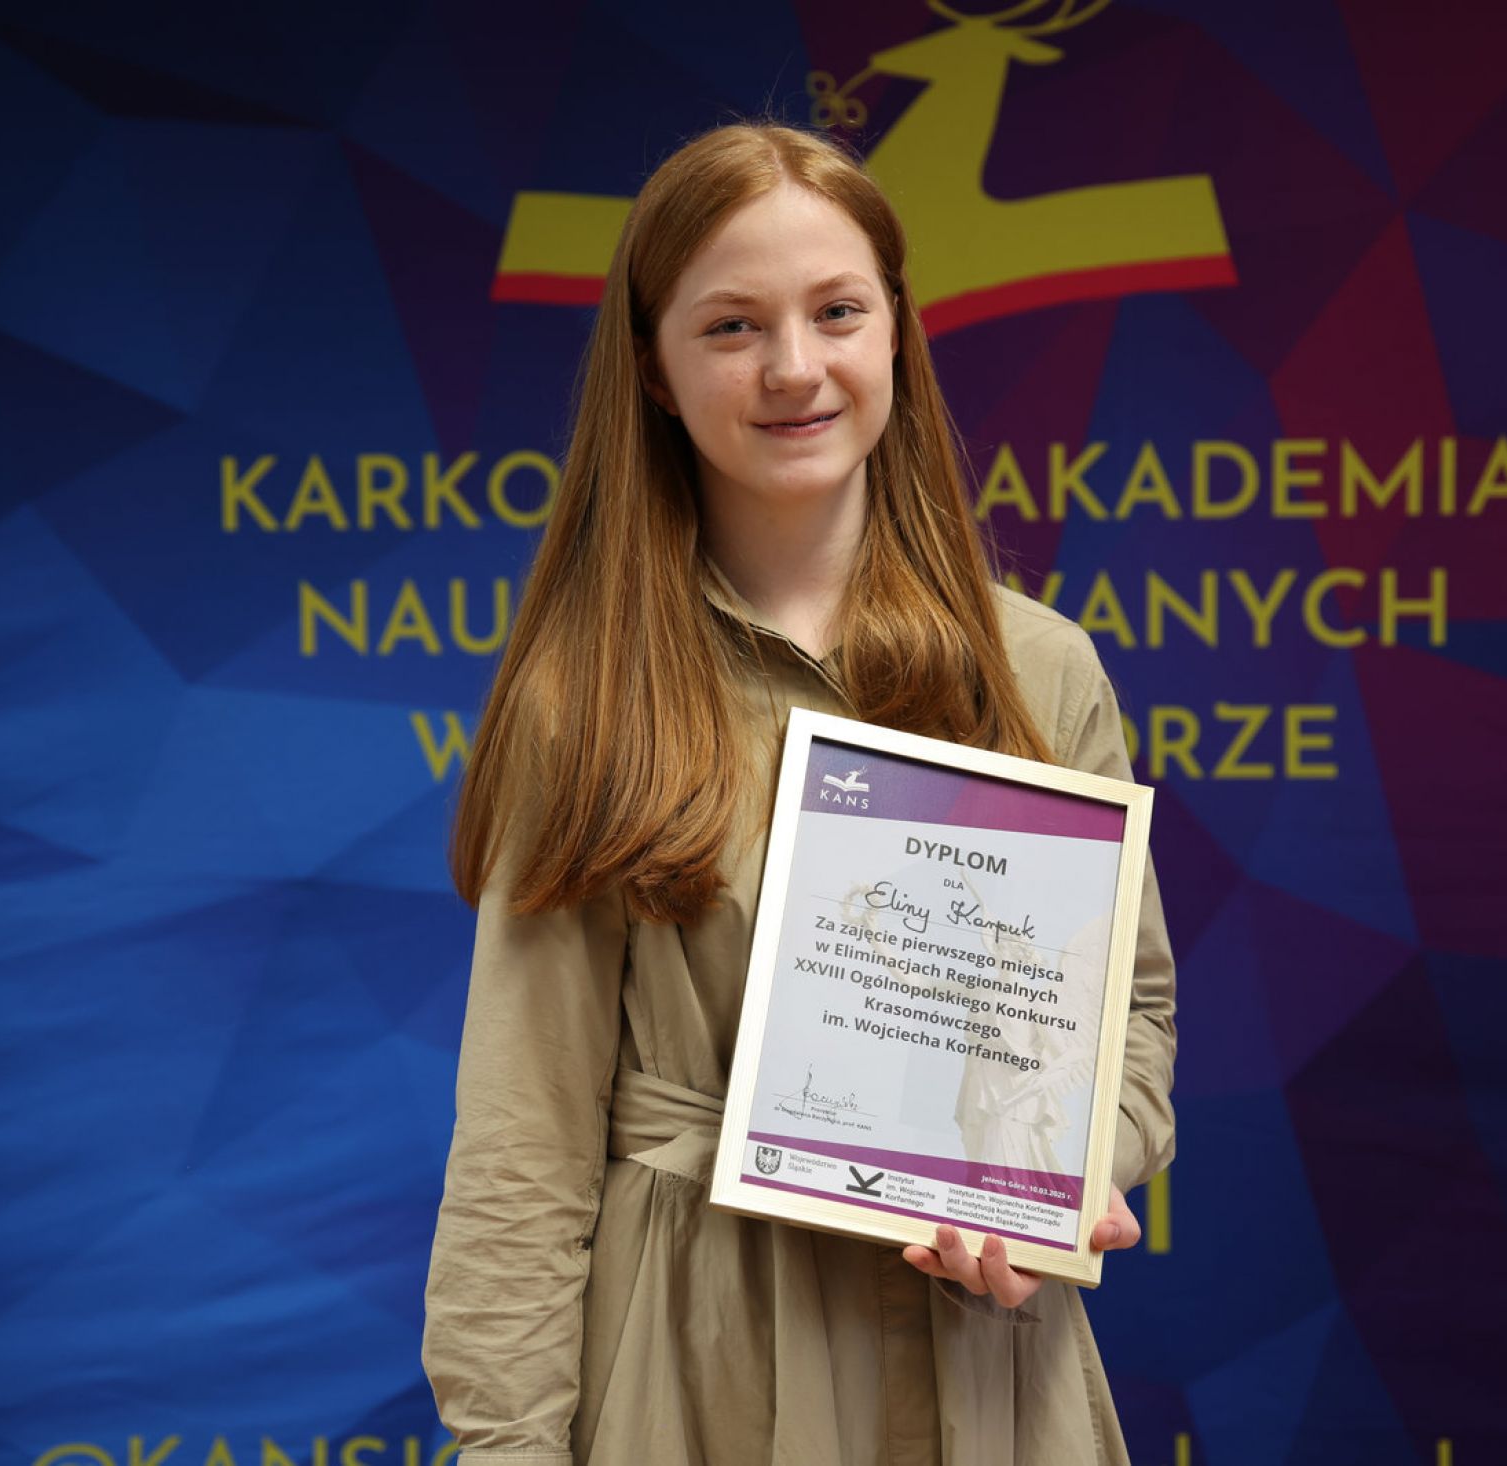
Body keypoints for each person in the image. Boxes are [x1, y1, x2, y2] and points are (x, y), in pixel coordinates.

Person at [421, 120, 1178, 1466]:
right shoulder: (582, 703)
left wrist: (1052, 1177)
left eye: (837, 312)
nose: (793, 368)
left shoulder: (1041, 670)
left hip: (986, 1365)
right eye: (731, 326)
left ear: (896, 332)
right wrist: (508, 1448)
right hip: (693, 1371)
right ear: (653, 370)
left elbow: (1130, 1024)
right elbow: (520, 1145)